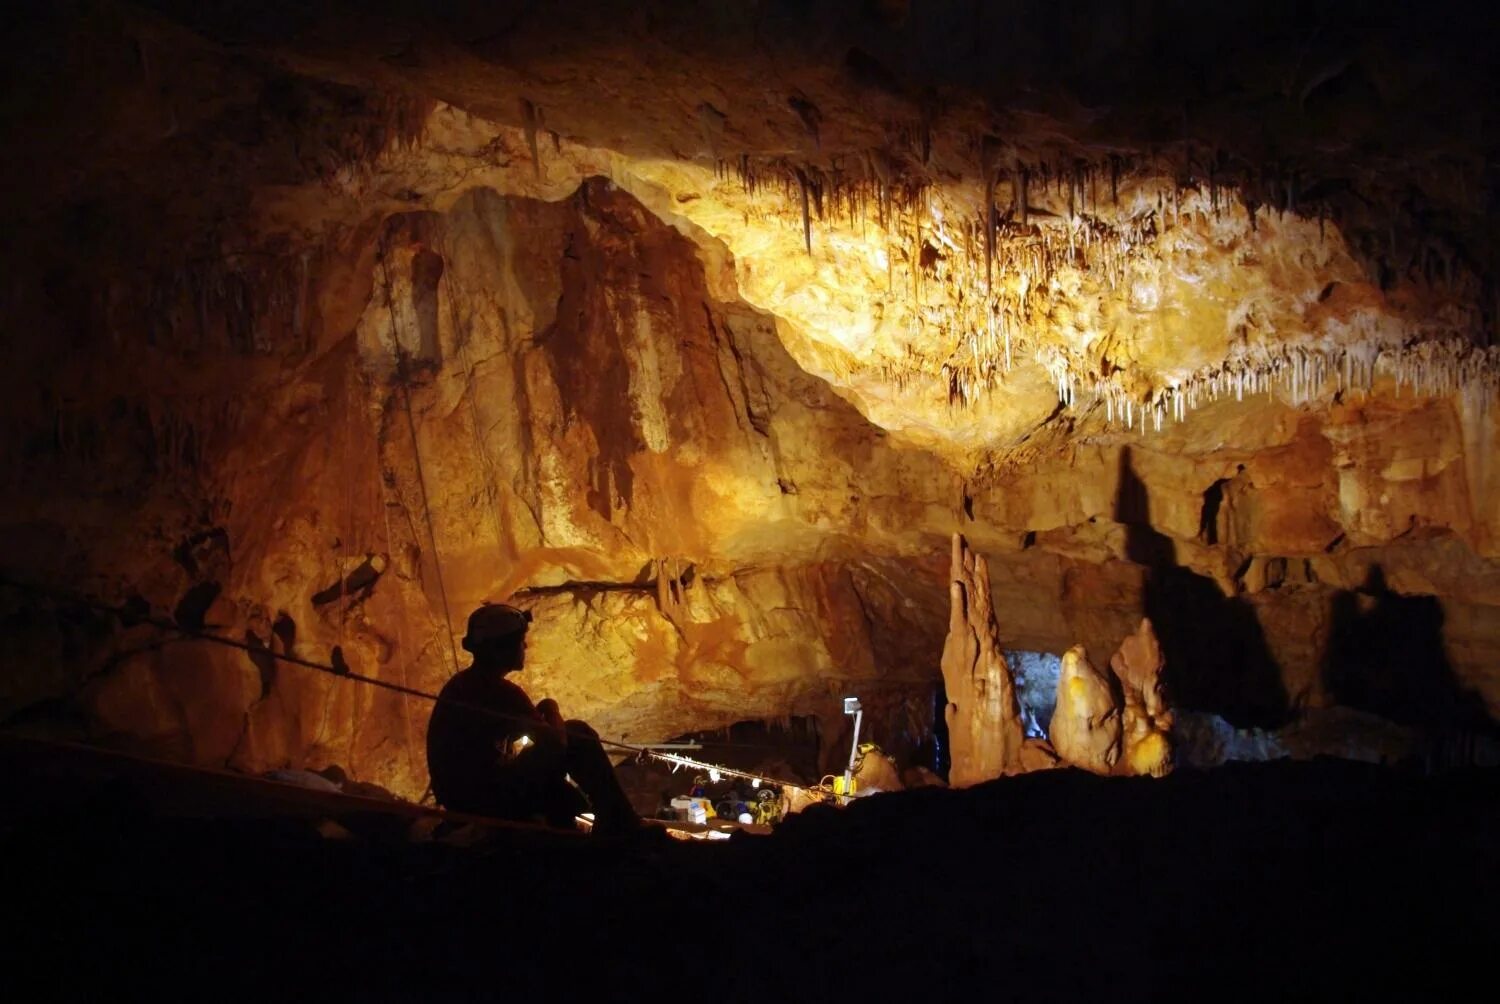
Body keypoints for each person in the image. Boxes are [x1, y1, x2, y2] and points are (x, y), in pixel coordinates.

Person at [425, 604, 641, 834]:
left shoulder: (464, 684)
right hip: (480, 799)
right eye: (520, 641)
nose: (525, 646)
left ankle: (594, 821)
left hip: (464, 794)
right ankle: (621, 821)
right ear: (502, 649)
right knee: (577, 733)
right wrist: (551, 708)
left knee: (562, 790)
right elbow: (557, 744)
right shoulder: (498, 691)